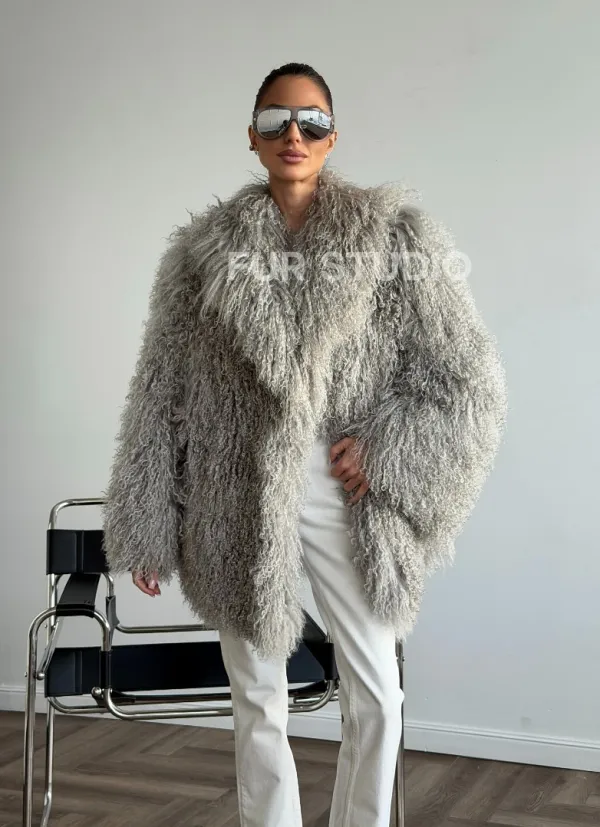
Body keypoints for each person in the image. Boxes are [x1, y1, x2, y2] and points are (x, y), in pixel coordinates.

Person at [101, 62, 508, 827]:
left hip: (339, 487)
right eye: (275, 120)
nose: (294, 133)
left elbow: (468, 379)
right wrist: (147, 519)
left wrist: (387, 448)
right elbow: (160, 388)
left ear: (332, 136)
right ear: (252, 138)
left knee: (377, 690)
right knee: (258, 695)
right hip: (236, 485)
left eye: (312, 120)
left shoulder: (395, 238)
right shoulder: (199, 254)